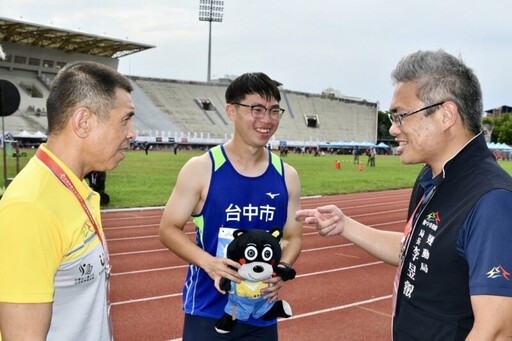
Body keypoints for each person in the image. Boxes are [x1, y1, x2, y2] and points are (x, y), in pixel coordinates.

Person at [296, 49, 512, 340]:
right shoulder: (432, 176)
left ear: (446, 115)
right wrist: (345, 225)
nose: (393, 128)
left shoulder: (492, 201)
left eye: (400, 116)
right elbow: (417, 250)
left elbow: (496, 331)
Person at [159, 72, 303, 341]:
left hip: (261, 312)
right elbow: (168, 228)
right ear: (231, 111)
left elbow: (293, 237)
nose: (267, 120)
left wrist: (282, 269)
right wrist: (209, 263)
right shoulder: (202, 169)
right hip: (208, 311)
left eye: (274, 111)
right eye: (256, 109)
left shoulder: (287, 176)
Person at [0, 61, 136, 340]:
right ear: (83, 122)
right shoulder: (32, 208)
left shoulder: (73, 187)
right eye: (125, 119)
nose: (132, 132)